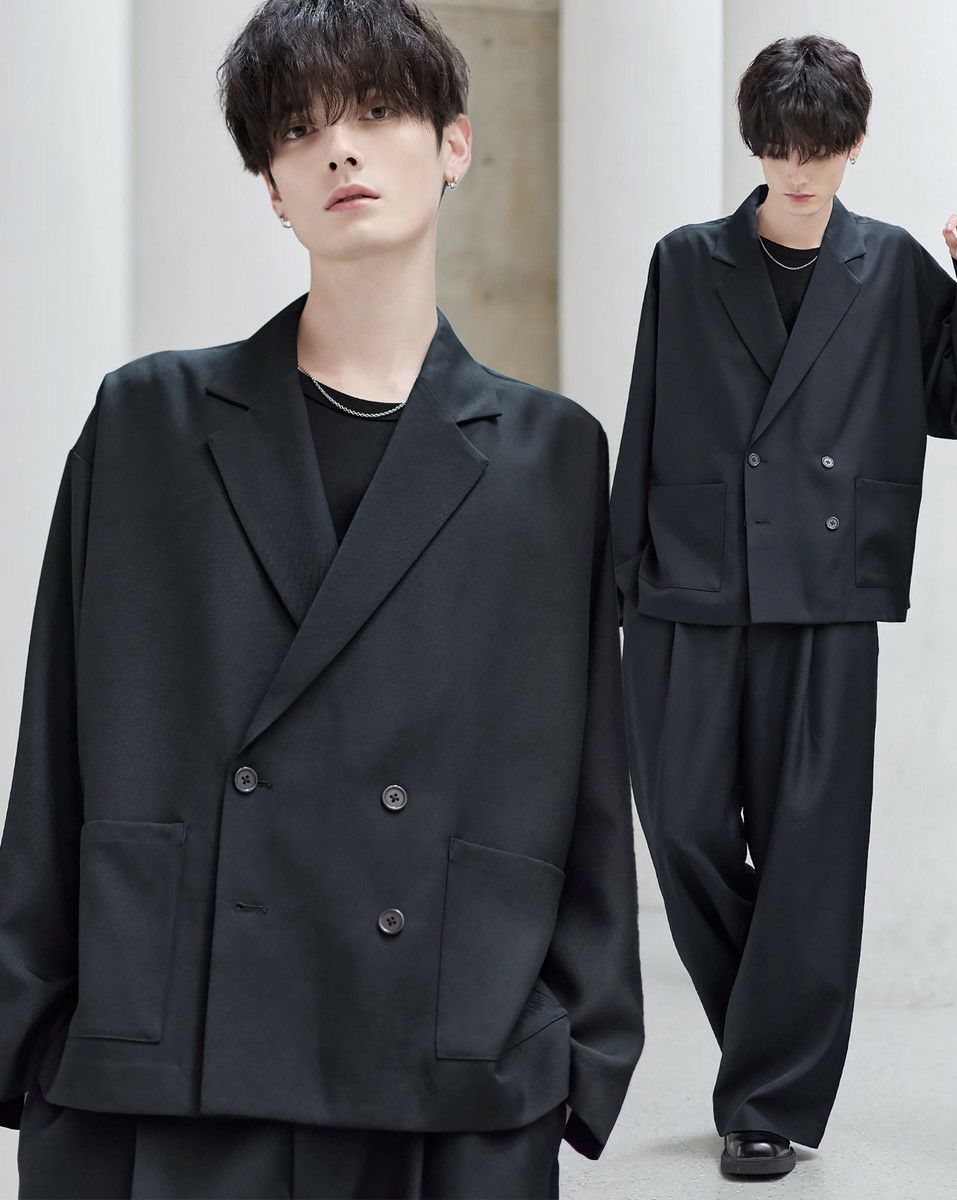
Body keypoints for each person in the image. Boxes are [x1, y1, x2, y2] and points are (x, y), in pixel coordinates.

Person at [0, 2, 644, 1196]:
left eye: (378, 110)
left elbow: (589, 775)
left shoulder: (552, 456)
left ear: (453, 145)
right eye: (299, 130)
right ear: (275, 190)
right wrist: (28, 1030)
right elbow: (56, 742)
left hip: (446, 1052)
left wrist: (580, 1042)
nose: (338, 147)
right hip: (168, 1048)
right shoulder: (146, 424)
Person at [610, 33, 957, 1180]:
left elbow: (951, 404)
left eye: (817, 148)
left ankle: (765, 1102)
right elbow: (644, 413)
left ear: (853, 144)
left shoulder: (891, 267)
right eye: (779, 147)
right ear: (755, 144)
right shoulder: (686, 260)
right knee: (681, 825)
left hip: (827, 592)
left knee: (809, 853)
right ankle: (774, 1041)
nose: (796, 169)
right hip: (690, 576)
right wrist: (618, 580)